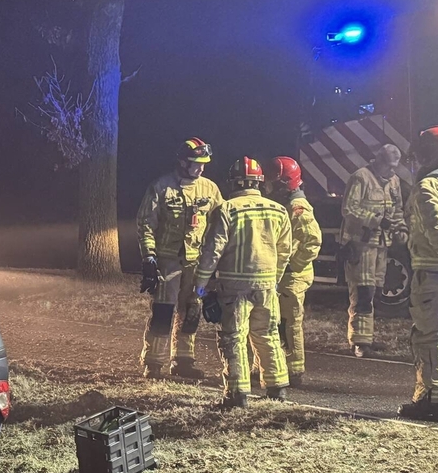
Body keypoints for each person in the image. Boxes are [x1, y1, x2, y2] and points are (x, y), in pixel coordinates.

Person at [194, 157, 292, 408]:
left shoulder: (226, 210)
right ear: (259, 182)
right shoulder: (279, 210)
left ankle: (237, 395)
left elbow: (212, 251)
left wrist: (201, 284)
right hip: (267, 285)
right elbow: (285, 251)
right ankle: (277, 387)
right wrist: (275, 278)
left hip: (234, 288)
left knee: (234, 338)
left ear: (234, 182)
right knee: (268, 334)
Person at [136, 138, 224, 379]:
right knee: (163, 311)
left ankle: (183, 361)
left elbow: (221, 224)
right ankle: (154, 362)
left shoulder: (210, 189)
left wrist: (214, 259)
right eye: (197, 163)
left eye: (204, 163)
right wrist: (149, 257)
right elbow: (146, 224)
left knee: (192, 310)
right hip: (168, 261)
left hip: (196, 263)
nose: (201, 168)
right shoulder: (161, 187)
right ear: (183, 162)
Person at [399, 126, 438, 422]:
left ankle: (433, 402)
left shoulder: (428, 186)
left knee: (431, 338)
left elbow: (437, 230)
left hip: (434, 275)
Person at [339, 144, 408, 357]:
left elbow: (397, 210)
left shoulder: (394, 181)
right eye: (389, 166)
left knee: (375, 292)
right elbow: (349, 209)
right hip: (361, 245)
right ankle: (359, 342)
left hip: (381, 245)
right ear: (379, 161)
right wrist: (376, 220)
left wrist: (401, 230)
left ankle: (366, 337)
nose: (392, 170)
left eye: (394, 167)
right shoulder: (361, 177)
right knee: (363, 292)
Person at [262, 157, 323, 387]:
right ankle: (281, 367)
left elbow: (313, 241)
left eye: (272, 182)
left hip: (293, 277)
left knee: (289, 323)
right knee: (278, 321)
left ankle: (294, 370)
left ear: (283, 184)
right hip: (285, 275)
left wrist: (293, 265)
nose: (267, 186)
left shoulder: (298, 208)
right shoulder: (287, 205)